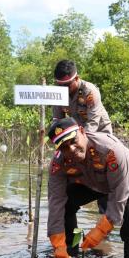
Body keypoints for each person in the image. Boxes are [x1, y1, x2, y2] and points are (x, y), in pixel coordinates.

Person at [47, 117, 129, 258]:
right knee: (66, 204)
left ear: (82, 131)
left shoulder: (109, 149)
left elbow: (118, 192)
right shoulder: (58, 163)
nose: (72, 150)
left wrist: (101, 230)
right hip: (94, 182)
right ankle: (70, 252)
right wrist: (57, 243)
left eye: (73, 141)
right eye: (64, 147)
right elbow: (56, 201)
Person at [53, 59, 112, 213]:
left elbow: (93, 123)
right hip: (75, 135)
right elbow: (57, 121)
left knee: (102, 170)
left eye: (67, 85)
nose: (63, 89)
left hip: (98, 133)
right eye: (60, 85)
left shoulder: (89, 91)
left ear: (77, 79)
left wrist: (81, 144)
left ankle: (105, 211)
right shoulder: (57, 92)